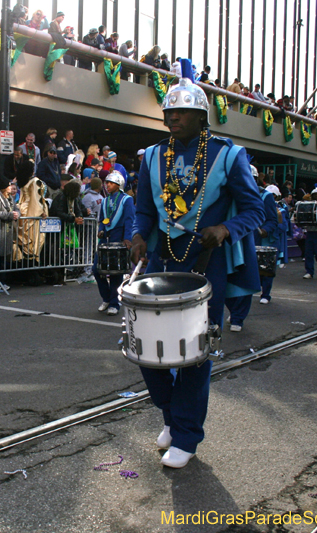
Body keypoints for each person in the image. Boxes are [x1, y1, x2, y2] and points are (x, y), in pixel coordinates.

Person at [129, 77, 264, 468]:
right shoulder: (152, 156)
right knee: (147, 348)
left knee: (193, 353)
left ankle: (187, 435)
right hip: (160, 261)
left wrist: (226, 229)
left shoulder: (228, 154)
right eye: (169, 111)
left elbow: (256, 210)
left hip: (206, 264)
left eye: (182, 111)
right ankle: (172, 417)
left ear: (201, 115)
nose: (173, 117)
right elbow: (144, 208)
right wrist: (137, 233)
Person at [224, 168, 279, 332]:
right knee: (226, 280)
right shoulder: (228, 193)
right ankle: (235, 311)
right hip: (229, 242)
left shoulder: (265, 196)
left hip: (251, 244)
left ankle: (238, 317)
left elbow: (272, 220)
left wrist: (263, 231)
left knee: (246, 280)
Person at [92, 171, 134, 315]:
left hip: (119, 237)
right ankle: (107, 298)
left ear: (118, 184)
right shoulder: (105, 200)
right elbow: (102, 219)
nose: (107, 185)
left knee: (116, 273)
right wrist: (101, 229)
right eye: (106, 183)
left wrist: (128, 238)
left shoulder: (126, 200)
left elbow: (129, 220)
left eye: (110, 183)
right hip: (105, 239)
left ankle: (114, 303)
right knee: (96, 270)